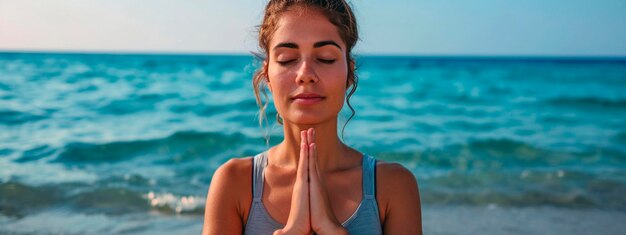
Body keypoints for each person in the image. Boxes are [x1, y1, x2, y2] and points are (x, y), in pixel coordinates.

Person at [202, 0, 422, 234]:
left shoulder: (393, 186)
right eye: (287, 59)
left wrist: (331, 229)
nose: (305, 75)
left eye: (326, 58)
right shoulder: (234, 184)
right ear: (267, 74)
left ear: (349, 73)